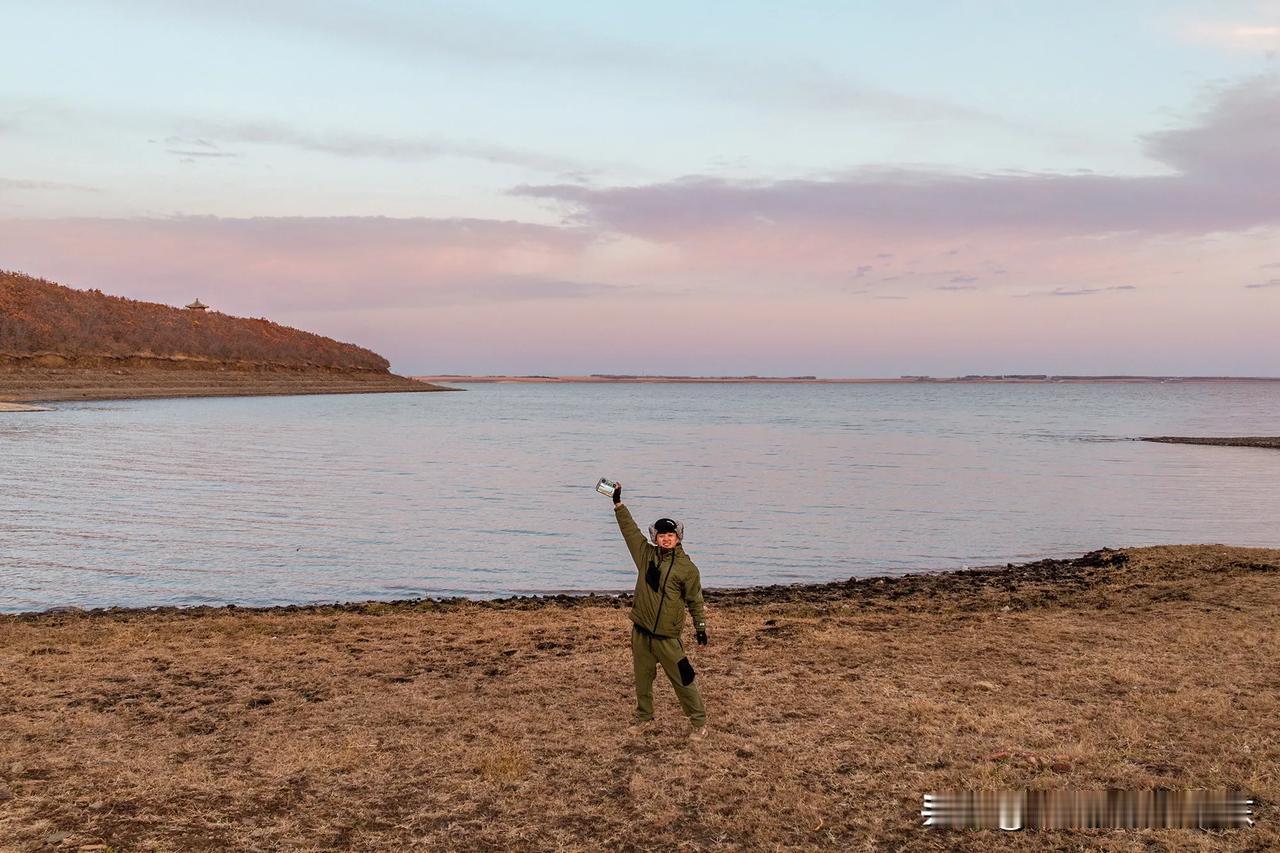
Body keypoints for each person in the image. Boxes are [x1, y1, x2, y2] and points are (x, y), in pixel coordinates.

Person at [609, 482, 708, 738]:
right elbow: (629, 531)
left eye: (670, 535)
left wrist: (700, 628)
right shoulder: (645, 555)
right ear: (655, 537)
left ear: (678, 538)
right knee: (642, 678)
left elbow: (695, 600)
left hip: (668, 636)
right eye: (661, 535)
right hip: (641, 630)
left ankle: (699, 723)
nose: (666, 538)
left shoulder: (688, 569)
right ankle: (644, 717)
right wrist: (618, 503)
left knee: (683, 679)